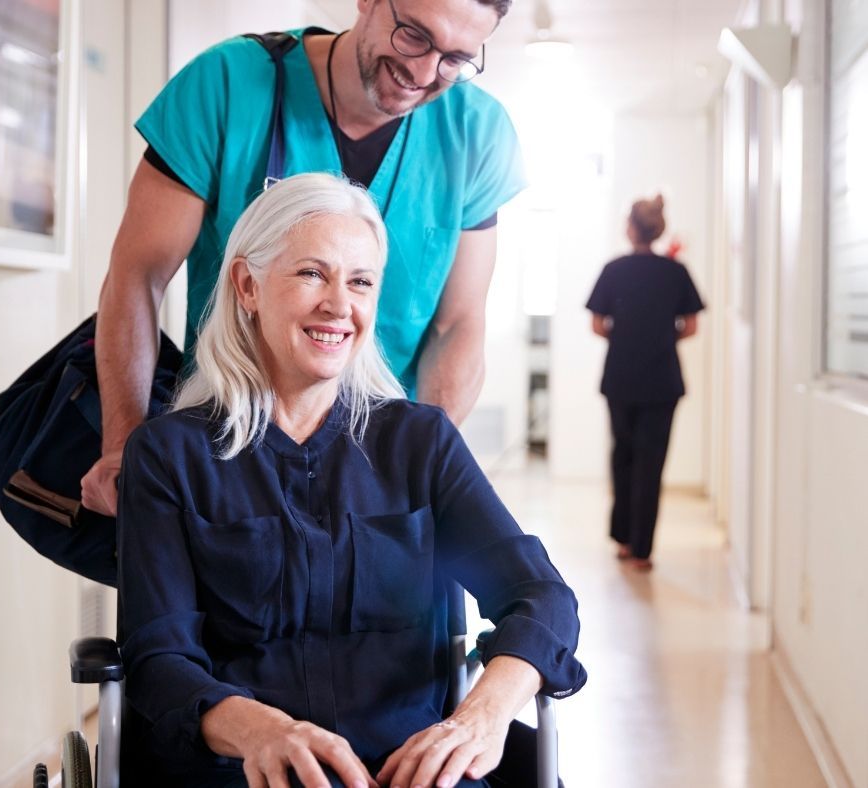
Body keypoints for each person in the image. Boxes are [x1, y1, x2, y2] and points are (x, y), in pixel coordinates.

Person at [117, 174, 586, 787]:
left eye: (360, 281)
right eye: (313, 273)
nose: (340, 305)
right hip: (243, 770)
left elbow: (541, 597)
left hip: (409, 768)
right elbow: (159, 659)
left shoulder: (419, 443)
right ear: (248, 285)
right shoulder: (168, 455)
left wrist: (481, 717)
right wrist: (263, 730)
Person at [82, 0, 526, 517]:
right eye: (414, 35)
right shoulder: (228, 85)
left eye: (455, 59)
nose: (425, 73)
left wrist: (415, 462)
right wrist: (127, 446)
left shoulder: (477, 133)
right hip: (225, 457)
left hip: (379, 472)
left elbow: (458, 323)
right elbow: (136, 277)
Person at [585, 195, 704, 571]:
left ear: (631, 228)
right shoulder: (676, 271)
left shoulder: (614, 269)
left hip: (621, 376)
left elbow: (597, 324)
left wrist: (626, 337)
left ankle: (622, 538)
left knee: (623, 455)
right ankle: (642, 550)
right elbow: (692, 325)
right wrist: (662, 338)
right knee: (651, 463)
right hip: (662, 380)